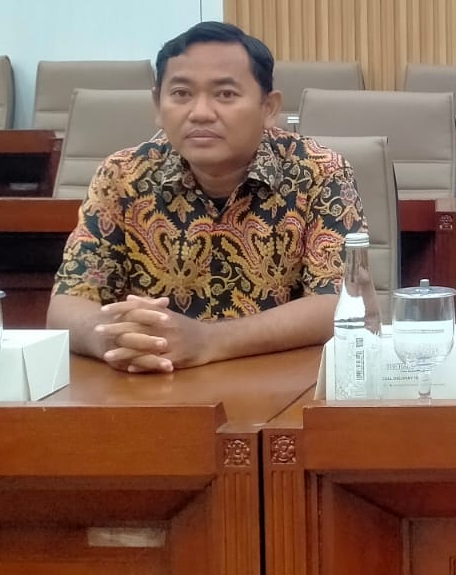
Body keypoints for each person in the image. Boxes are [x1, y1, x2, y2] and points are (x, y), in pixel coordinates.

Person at [48, 21, 366, 373]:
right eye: (181, 93)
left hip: (279, 382)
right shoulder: (122, 175)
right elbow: (67, 304)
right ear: (157, 105)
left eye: (225, 94)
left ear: (268, 108)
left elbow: (340, 303)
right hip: (152, 384)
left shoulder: (319, 171)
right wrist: (113, 338)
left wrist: (207, 341)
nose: (200, 112)